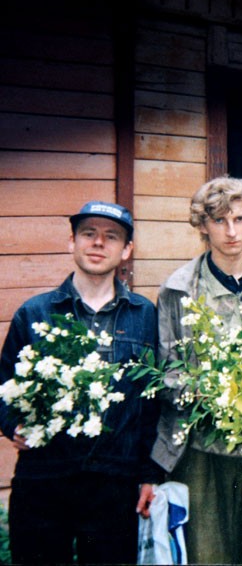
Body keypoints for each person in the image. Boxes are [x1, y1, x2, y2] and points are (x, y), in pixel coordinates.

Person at [0, 201, 161, 563]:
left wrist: (149, 475)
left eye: (111, 236)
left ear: (127, 250)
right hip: (43, 477)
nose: (98, 243)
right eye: (89, 233)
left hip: (114, 481)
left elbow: (153, 403)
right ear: (72, 241)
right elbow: (4, 384)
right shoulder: (35, 313)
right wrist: (13, 424)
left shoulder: (145, 315)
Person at [150, 176, 242, 564]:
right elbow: (165, 369)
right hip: (199, 443)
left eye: (240, 219)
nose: (231, 231)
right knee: (207, 552)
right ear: (203, 225)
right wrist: (206, 393)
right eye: (219, 220)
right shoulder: (178, 289)